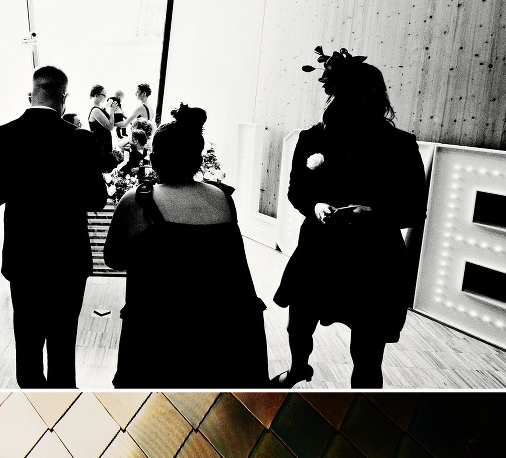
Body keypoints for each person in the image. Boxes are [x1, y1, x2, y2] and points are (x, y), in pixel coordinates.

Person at [272, 46, 427, 388]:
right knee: (298, 324)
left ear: (374, 98)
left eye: (360, 96)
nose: (349, 103)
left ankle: (364, 402)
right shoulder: (312, 138)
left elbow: (414, 209)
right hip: (318, 251)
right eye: (343, 95)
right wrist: (314, 207)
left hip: (374, 261)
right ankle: (299, 368)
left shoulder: (401, 145)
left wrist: (371, 212)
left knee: (367, 350)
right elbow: (298, 189)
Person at [103, 104, 269, 388]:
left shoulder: (137, 201)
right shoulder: (223, 199)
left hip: (157, 334)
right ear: (197, 161)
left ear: (154, 160)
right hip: (220, 333)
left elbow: (114, 258)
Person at [0, 66, 107, 388]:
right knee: (63, 349)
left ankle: (32, 414)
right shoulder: (81, 140)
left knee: (28, 346)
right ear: (63, 99)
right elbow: (97, 200)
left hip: (24, 263)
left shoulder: (0, 136)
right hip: (68, 262)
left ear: (31, 95)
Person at [87, 85, 118, 173]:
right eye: (103, 95)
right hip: (101, 146)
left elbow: (104, 109)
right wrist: (112, 111)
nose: (105, 97)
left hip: (104, 144)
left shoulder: (99, 108)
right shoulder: (95, 110)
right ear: (96, 95)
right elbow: (110, 126)